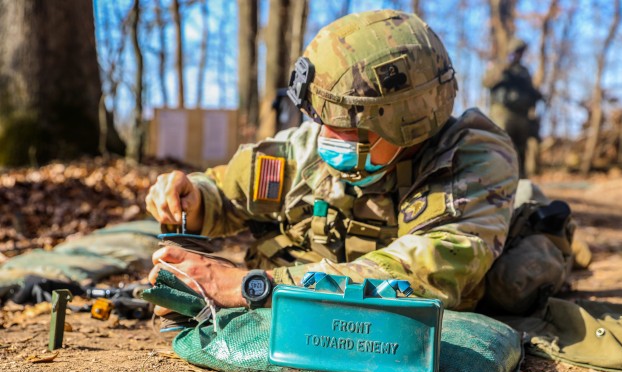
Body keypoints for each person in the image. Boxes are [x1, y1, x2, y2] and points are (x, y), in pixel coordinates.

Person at [145, 10, 518, 313]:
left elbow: (421, 276)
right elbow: (226, 194)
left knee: (520, 277)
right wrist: (193, 200)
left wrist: (247, 285)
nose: (326, 137)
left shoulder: (476, 162)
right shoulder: (305, 149)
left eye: (348, 127)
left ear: (407, 125)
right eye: (322, 120)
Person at [482, 38, 543, 178]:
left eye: (521, 52)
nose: (519, 55)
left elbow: (530, 91)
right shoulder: (498, 66)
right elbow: (486, 82)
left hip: (521, 116)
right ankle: (498, 180)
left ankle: (521, 182)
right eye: (517, 51)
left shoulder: (524, 71)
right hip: (502, 114)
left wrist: (536, 95)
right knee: (502, 149)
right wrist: (504, 67)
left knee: (520, 152)